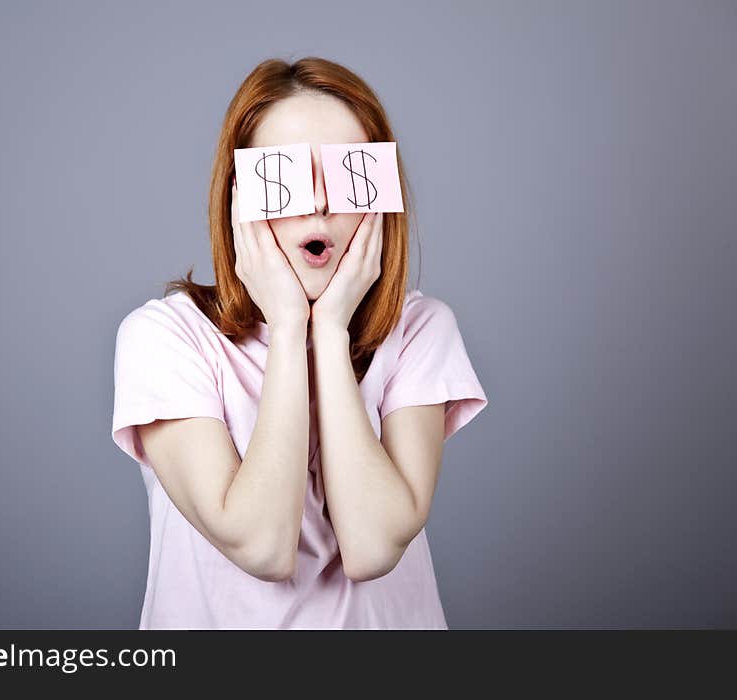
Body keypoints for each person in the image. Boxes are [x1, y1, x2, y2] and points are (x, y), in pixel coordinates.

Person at [111, 56, 488, 629]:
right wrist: (288, 327)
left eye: (348, 175)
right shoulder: (166, 337)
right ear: (238, 202)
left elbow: (373, 546)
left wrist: (329, 330)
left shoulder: (419, 330)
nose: (319, 205)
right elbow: (261, 544)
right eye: (284, 179)